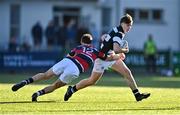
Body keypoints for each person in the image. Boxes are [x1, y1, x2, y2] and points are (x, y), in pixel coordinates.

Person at [64, 14, 150, 102]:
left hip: (110, 56)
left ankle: (137, 95)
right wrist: (125, 50)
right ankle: (71, 90)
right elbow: (116, 49)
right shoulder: (119, 33)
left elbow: (105, 37)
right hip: (102, 58)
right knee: (92, 81)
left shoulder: (116, 29)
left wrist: (114, 49)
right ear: (122, 24)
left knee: (127, 72)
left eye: (130, 25)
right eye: (128, 25)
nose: (129, 27)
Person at [11, 34, 121, 102]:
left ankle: (25, 81)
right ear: (91, 43)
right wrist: (120, 54)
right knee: (55, 85)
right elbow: (107, 58)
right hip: (75, 68)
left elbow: (69, 55)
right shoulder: (96, 51)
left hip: (67, 61)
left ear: (82, 41)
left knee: (45, 75)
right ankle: (38, 94)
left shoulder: (79, 47)